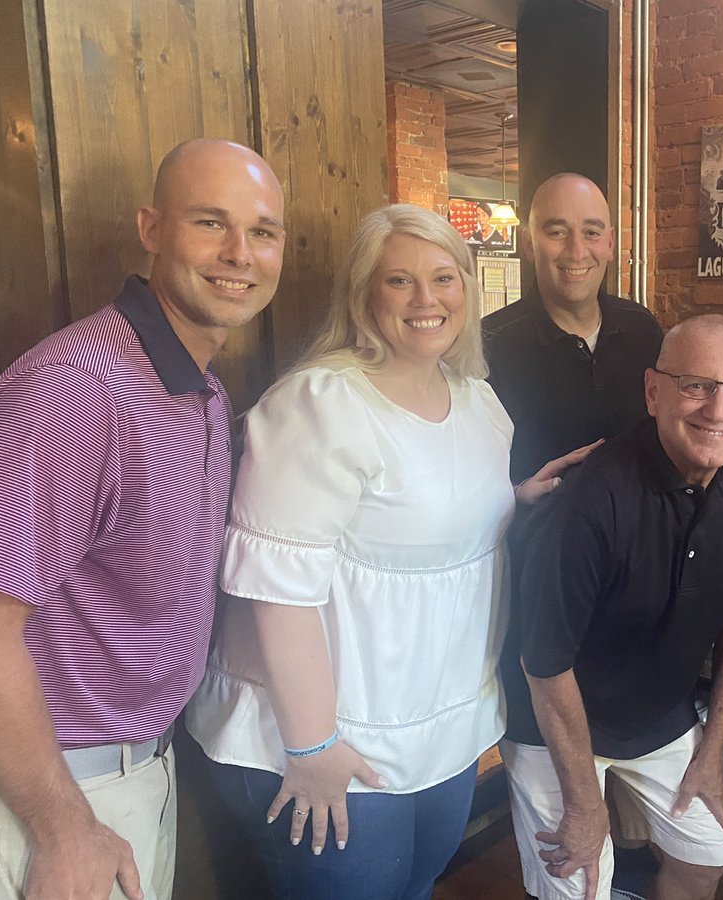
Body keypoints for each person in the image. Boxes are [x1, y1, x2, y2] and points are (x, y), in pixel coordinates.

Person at [185, 204, 589, 900]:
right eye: (400, 281)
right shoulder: (320, 405)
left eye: (443, 277)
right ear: (364, 295)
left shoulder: (477, 401)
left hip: (439, 727)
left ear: (469, 286)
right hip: (326, 736)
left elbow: (422, 519)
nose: (426, 299)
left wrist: (511, 501)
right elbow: (275, 587)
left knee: (416, 885)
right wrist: (311, 748)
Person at [0, 138, 285, 900]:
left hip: (134, 773)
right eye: (211, 222)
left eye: (263, 231)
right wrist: (61, 825)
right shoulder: (76, 388)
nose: (240, 252)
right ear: (151, 228)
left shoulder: (200, 389)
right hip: (47, 796)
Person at [506, 314, 723, 900]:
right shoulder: (587, 502)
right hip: (554, 719)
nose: (719, 411)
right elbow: (544, 665)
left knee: (707, 855)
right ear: (653, 390)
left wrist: (713, 749)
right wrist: (588, 806)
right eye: (696, 386)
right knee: (580, 883)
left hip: (659, 714)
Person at [483, 172, 663, 484]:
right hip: (541, 529)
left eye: (591, 232)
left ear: (610, 244)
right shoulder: (488, 343)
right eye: (556, 232)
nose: (576, 251)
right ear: (529, 244)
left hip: (642, 528)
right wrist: (515, 493)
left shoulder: (643, 327)